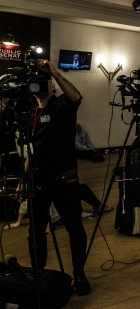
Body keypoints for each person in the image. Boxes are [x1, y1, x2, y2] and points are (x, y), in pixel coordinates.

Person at [26, 58, 90, 295]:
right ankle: (38, 274)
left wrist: (54, 71)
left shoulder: (62, 105)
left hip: (65, 180)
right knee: (35, 232)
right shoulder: (30, 113)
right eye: (39, 82)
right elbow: (31, 149)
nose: (43, 85)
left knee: (75, 230)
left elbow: (76, 97)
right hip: (38, 182)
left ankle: (79, 274)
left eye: (48, 82)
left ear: (53, 86)